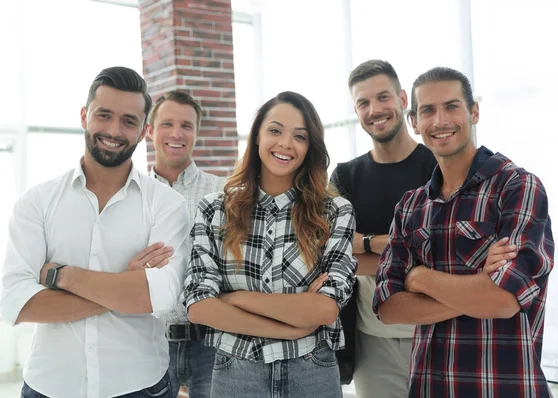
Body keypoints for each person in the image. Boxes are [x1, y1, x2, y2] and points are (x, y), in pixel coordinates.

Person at [0, 66, 190, 398]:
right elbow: (17, 303)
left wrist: (63, 276)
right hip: (50, 386)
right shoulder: (38, 202)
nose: (114, 130)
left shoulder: (167, 205)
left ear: (144, 130)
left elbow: (158, 296)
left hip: (140, 387)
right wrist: (124, 286)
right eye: (104, 115)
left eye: (128, 121)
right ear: (85, 115)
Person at [374, 66, 555, 398]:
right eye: (427, 110)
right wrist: (477, 291)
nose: (440, 120)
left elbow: (504, 300)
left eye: (452, 106)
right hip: (428, 388)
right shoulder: (410, 207)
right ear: (414, 122)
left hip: (503, 389)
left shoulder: (517, 187)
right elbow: (388, 308)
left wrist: (419, 278)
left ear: (474, 111)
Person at [184, 91, 357, 398]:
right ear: (257, 137)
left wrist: (234, 298)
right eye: (275, 130)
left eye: (299, 136)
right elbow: (199, 307)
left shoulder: (334, 211)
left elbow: (325, 309)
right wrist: (292, 326)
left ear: (310, 146)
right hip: (236, 372)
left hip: (311, 371)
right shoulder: (214, 209)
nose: (285, 144)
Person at [329, 59, 437, 396]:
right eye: (363, 102)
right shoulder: (345, 176)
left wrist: (365, 242)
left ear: (404, 100)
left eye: (383, 97)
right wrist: (394, 245)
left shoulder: (438, 166)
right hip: (372, 337)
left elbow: (445, 257)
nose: (374, 109)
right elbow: (335, 258)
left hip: (439, 331)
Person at [146, 90, 224, 398]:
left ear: (197, 133)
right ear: (149, 130)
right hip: (150, 340)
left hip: (211, 343)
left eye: (186, 126)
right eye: (167, 124)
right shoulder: (134, 195)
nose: (177, 134)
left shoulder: (223, 192)